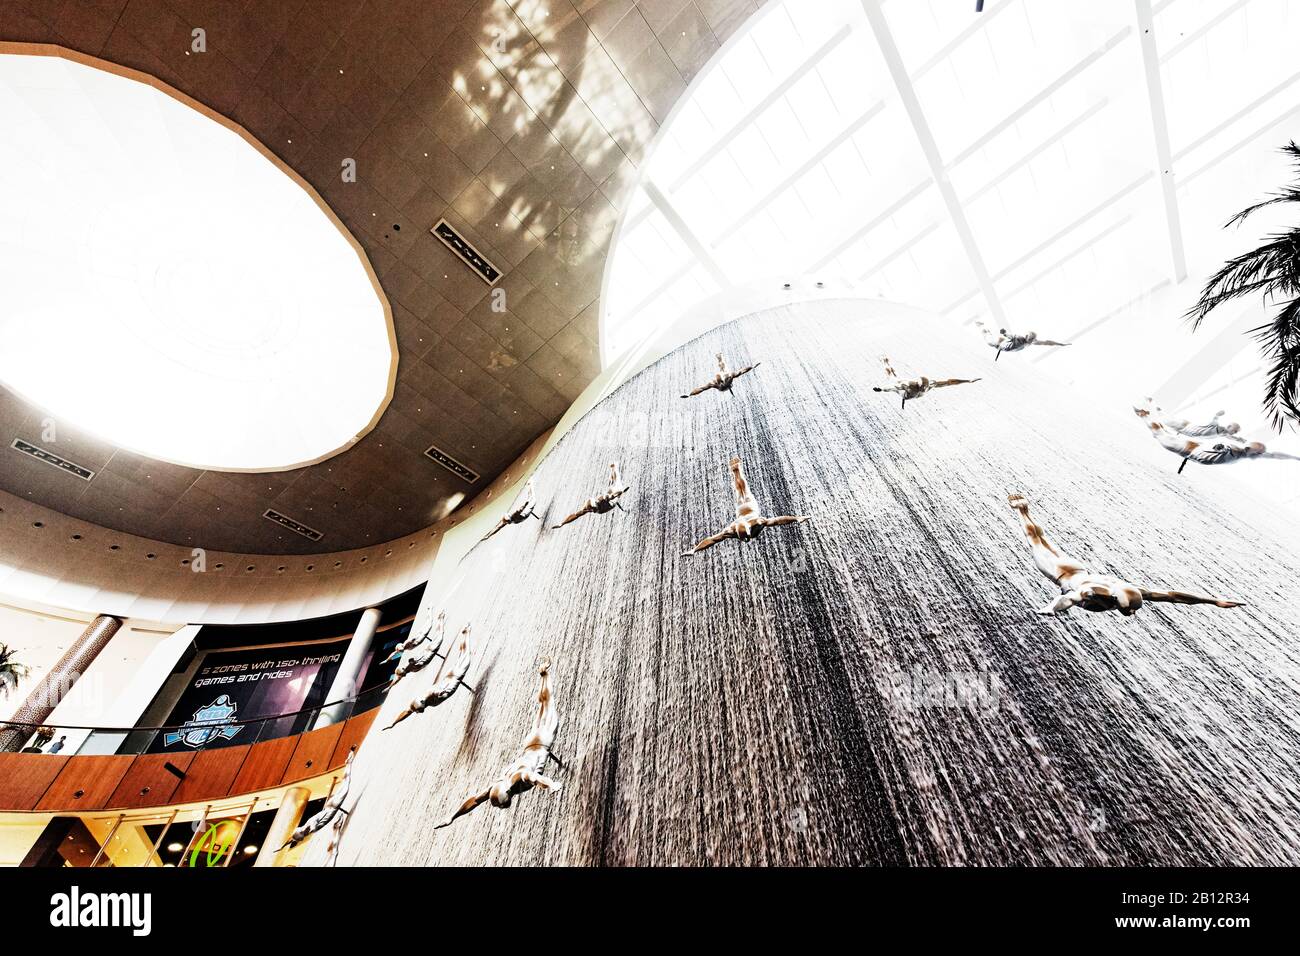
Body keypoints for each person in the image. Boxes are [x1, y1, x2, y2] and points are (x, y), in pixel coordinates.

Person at [1006, 494, 1243, 616]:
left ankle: (1026, 510)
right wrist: (1051, 609)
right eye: (1128, 610)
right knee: (1036, 542)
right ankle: (1021, 510)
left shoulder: (1134, 590)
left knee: (1046, 540)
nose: (1130, 614)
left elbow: (1174, 595)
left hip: (1077, 568)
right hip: (1060, 574)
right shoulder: (1095, 592)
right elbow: (1068, 599)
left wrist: (1213, 601)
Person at [436, 661, 562, 829]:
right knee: (543, 705)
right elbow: (474, 800)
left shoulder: (519, 777)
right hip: (529, 743)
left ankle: (545, 674)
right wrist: (452, 816)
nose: (502, 807)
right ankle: (543, 676)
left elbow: (536, 779)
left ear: (508, 793)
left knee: (548, 703)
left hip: (542, 741)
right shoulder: (497, 784)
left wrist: (551, 785)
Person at [682, 456, 810, 555]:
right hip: (750, 507)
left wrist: (695, 549)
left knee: (739, 489)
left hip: (740, 510)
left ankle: (735, 472)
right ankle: (739, 471)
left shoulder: (733, 528)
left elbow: (712, 540)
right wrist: (796, 518)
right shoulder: (754, 523)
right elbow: (777, 521)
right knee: (744, 489)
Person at [1133, 406, 1300, 474]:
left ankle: (1148, 415)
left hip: (1194, 451)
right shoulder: (1242, 449)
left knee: (1163, 437)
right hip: (1196, 448)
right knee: (1163, 435)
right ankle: (1148, 415)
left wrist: (1294, 457)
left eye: (1256, 451)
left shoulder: (1245, 453)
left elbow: (1274, 455)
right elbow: (1222, 432)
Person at [383, 625, 475, 731]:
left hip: (454, 675)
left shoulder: (427, 698)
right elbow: (406, 712)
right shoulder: (425, 698)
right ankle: (465, 634)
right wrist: (393, 723)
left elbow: (407, 712)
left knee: (464, 654)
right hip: (453, 676)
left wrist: (393, 723)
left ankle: (466, 634)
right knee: (463, 654)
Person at [279, 749, 355, 851]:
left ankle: (349, 763)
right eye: (302, 831)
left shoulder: (311, 827)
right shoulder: (312, 826)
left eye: (301, 830)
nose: (302, 829)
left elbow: (326, 819)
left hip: (332, 806)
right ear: (302, 833)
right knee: (345, 783)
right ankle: (348, 764)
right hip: (331, 805)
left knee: (345, 783)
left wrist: (287, 843)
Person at [871, 355, 980, 408]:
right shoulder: (930, 385)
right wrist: (967, 381)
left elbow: (893, 388)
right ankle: (887, 363)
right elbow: (949, 382)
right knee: (895, 376)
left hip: (905, 393)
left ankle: (885, 363)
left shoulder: (910, 385)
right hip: (910, 393)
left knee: (893, 377)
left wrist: (881, 389)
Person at [552, 462, 630, 528]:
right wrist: (562, 523)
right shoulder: (587, 508)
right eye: (591, 510)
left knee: (615, 483)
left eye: (592, 509)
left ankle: (614, 467)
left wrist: (621, 492)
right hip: (608, 504)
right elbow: (575, 515)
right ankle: (613, 469)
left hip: (610, 500)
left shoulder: (601, 499)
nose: (591, 511)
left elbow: (613, 495)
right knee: (613, 485)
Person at [1134, 400, 1240, 438]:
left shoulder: (1223, 433)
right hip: (1184, 426)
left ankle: (1152, 408)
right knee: (1163, 420)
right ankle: (1148, 407)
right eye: (1234, 431)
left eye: (1235, 432)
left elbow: (1230, 437)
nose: (1234, 433)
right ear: (1229, 426)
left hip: (1185, 427)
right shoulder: (1218, 428)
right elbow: (1214, 419)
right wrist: (1218, 414)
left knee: (1164, 420)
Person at [975, 321, 1070, 360]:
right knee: (990, 341)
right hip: (1002, 345)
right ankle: (982, 327)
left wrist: (1060, 344)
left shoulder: (1032, 342)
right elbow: (1011, 336)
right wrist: (1005, 333)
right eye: (1029, 338)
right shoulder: (1020, 338)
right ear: (1027, 336)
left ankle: (985, 329)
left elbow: (1047, 342)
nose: (1030, 340)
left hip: (1005, 347)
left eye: (1031, 339)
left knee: (992, 342)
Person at [681, 352, 760, 398]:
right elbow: (743, 371)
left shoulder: (714, 384)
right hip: (726, 381)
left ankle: (719, 357)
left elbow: (701, 389)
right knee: (724, 368)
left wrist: (690, 394)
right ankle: (719, 357)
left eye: (717, 378)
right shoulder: (729, 377)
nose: (716, 378)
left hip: (724, 383)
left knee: (723, 367)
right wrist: (752, 367)